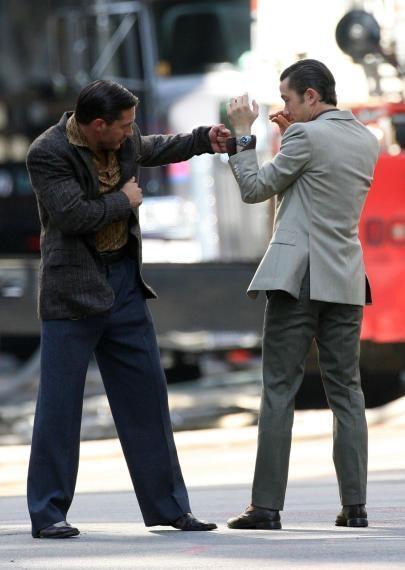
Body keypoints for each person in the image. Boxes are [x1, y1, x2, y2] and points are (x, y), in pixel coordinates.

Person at [26, 79, 230, 538]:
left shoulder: (124, 137)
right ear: (97, 125)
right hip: (72, 292)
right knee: (59, 409)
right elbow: (73, 216)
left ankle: (171, 508)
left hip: (123, 285)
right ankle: (49, 513)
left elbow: (156, 146)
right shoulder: (47, 152)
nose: (129, 133)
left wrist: (204, 139)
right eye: (122, 126)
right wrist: (124, 201)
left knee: (147, 400)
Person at [225, 59, 379, 530]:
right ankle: (355, 506)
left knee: (279, 389)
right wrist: (295, 132)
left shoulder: (304, 138)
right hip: (346, 278)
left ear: (311, 96)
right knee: (347, 391)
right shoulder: (366, 140)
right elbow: (320, 176)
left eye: (289, 99)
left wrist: (243, 133)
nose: (285, 108)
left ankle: (266, 507)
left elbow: (254, 189)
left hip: (298, 278)